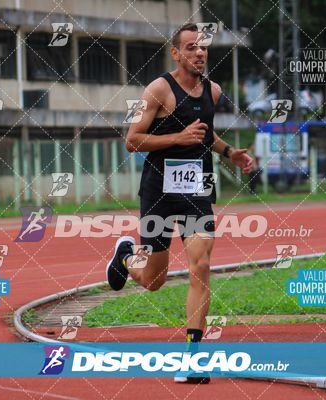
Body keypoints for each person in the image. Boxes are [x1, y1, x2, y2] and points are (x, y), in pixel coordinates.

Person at [105, 23, 253, 384]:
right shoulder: (158, 90)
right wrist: (177, 138)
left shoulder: (213, 91)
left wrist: (229, 152)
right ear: (176, 53)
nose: (199, 53)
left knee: (201, 265)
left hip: (197, 192)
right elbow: (132, 140)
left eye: (203, 47)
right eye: (191, 48)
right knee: (154, 280)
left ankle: (193, 358)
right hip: (158, 192)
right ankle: (125, 256)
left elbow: (205, 133)